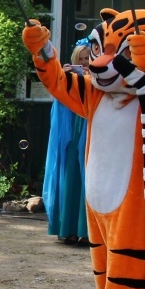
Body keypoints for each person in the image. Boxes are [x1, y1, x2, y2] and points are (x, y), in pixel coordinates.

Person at [43, 43, 90, 246]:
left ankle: (86, 231)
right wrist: (64, 78)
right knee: (70, 179)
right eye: (81, 59)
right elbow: (58, 100)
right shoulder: (67, 78)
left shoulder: (101, 80)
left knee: (87, 183)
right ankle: (68, 229)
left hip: (90, 137)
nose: (85, 62)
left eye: (88, 58)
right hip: (71, 137)